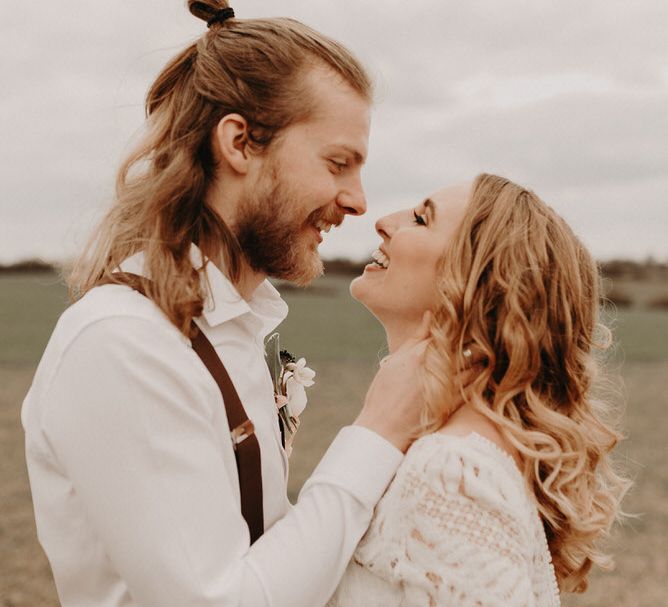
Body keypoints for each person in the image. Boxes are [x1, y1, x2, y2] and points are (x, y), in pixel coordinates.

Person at [21, 3, 438, 606]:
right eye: (337, 163)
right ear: (241, 144)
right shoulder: (123, 343)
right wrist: (378, 430)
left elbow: (268, 556)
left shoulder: (228, 330)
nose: (357, 201)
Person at [328, 174, 630, 606]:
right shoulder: (458, 455)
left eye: (420, 218)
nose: (384, 222)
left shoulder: (451, 473)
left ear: (478, 286)